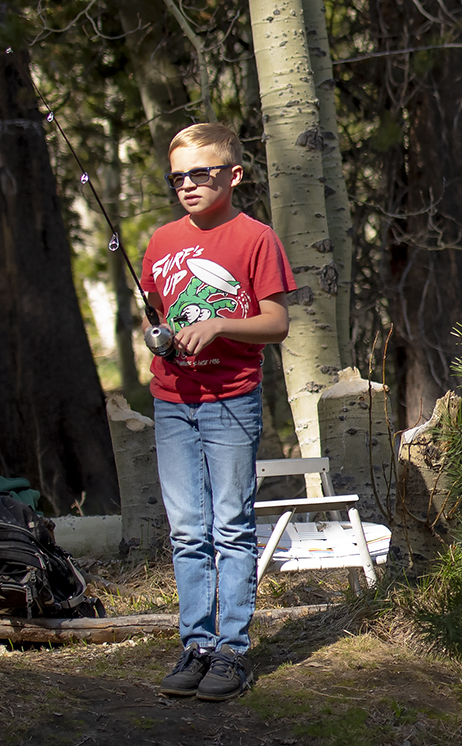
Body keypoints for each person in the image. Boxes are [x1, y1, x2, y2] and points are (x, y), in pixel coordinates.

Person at [141, 123, 295, 700]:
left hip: (231, 398)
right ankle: (195, 645)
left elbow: (276, 324)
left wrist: (221, 324)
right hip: (172, 402)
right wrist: (159, 338)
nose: (187, 185)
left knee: (230, 525)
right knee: (187, 529)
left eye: (201, 174)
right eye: (177, 177)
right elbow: (157, 314)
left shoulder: (256, 239)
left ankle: (232, 651)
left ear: (233, 175)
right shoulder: (160, 241)